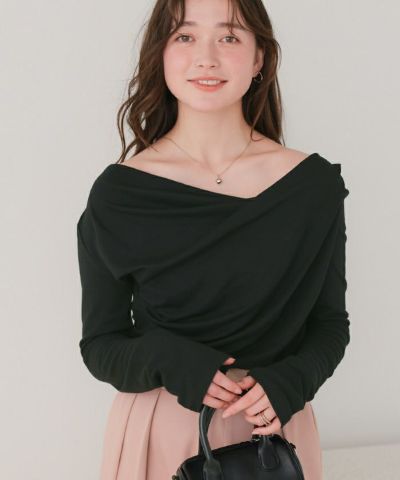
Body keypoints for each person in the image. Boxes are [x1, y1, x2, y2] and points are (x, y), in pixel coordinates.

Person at [76, 0, 351, 479]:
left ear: (259, 57)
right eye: (185, 36)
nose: (207, 57)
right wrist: (168, 359)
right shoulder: (120, 193)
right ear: (161, 52)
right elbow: (101, 345)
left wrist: (291, 381)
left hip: (274, 433)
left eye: (229, 37)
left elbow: (330, 325)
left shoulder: (311, 186)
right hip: (161, 434)